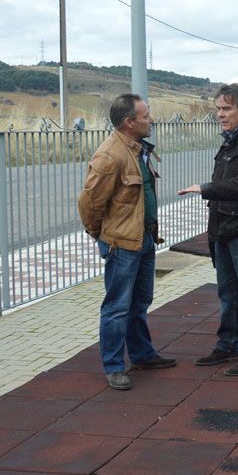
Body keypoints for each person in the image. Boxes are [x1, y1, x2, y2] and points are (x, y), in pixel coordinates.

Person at [77, 94, 177, 390]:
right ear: (128, 122)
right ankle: (114, 366)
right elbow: (90, 203)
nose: (152, 120)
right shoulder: (110, 155)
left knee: (140, 301)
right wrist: (102, 236)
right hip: (122, 244)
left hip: (143, 238)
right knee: (117, 306)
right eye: (146, 116)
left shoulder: (136, 149)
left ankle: (142, 354)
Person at [178, 83, 238, 376]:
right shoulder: (232, 140)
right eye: (219, 109)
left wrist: (206, 189)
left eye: (227, 109)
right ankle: (228, 345)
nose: (220, 114)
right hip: (223, 226)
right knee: (227, 292)